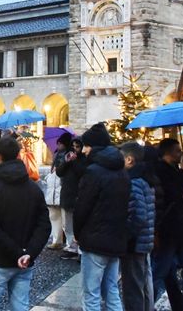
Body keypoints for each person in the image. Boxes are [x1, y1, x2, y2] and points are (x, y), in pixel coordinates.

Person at [0, 136, 51, 311]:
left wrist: (18, 253)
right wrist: (28, 253)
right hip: (24, 261)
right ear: (17, 156)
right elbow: (44, 226)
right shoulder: (33, 188)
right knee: (20, 306)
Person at [75, 123, 130, 311]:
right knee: (112, 291)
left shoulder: (94, 171)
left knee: (91, 294)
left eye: (86, 146)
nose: (83, 151)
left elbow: (82, 206)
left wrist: (77, 232)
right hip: (115, 239)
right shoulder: (122, 170)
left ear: (94, 146)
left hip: (95, 239)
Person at [153, 137, 183, 311]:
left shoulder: (173, 169)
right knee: (160, 272)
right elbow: (172, 194)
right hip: (168, 231)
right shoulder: (160, 170)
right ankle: (144, 303)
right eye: (177, 151)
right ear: (168, 152)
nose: (181, 153)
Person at [120, 141, 156, 311]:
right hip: (144, 241)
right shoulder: (145, 179)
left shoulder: (133, 182)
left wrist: (126, 236)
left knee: (133, 289)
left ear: (129, 160)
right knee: (142, 286)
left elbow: (138, 216)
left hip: (135, 244)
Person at [57, 137, 86, 258]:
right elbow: (59, 172)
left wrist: (74, 162)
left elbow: (82, 173)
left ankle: (80, 249)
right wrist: (66, 162)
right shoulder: (66, 157)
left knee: (78, 224)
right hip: (66, 194)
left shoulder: (84, 159)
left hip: (78, 195)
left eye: (77, 147)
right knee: (67, 224)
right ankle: (71, 247)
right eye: (73, 146)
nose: (75, 149)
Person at [45, 133, 71, 249]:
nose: (58, 145)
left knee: (66, 219)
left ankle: (70, 244)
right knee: (54, 217)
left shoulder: (69, 156)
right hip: (52, 190)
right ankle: (57, 240)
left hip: (63, 189)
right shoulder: (56, 154)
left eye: (60, 143)